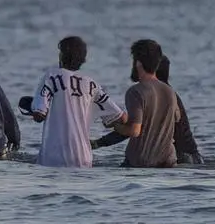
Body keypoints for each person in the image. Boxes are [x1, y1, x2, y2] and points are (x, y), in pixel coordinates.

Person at [26, 36, 126, 168]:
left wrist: (32, 109)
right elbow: (121, 117)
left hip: (54, 156)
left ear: (61, 56)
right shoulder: (92, 84)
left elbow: (40, 115)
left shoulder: (51, 76)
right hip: (84, 157)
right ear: (83, 60)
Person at [93, 55, 203, 164]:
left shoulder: (153, 96)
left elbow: (132, 130)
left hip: (180, 158)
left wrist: (99, 142)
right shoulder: (170, 95)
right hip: (191, 158)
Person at [100, 39, 180, 168]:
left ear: (138, 63)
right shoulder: (170, 91)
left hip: (140, 163)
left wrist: (116, 125)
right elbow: (176, 118)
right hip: (168, 161)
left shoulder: (135, 92)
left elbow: (134, 130)